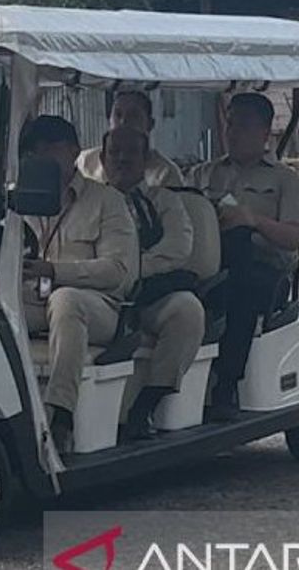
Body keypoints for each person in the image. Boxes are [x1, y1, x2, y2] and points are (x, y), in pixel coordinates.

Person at [20, 116, 138, 453]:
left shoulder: (106, 201)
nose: (43, 158)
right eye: (36, 151)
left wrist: (53, 270)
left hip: (97, 307)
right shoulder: (18, 200)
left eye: (52, 150)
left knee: (66, 300)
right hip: (30, 302)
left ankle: (60, 416)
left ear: (73, 152)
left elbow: (116, 270)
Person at [189, 93, 299, 420]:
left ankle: (226, 384)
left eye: (243, 124)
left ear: (265, 131)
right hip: (211, 263)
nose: (233, 131)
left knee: (239, 290)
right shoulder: (203, 175)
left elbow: (293, 236)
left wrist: (253, 220)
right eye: (230, 123)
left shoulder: (286, 180)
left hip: (266, 271)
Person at [100, 126, 205, 439]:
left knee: (187, 310)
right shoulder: (90, 199)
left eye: (131, 152)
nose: (122, 159)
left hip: (145, 295)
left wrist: (128, 269)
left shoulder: (164, 201)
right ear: (102, 159)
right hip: (99, 292)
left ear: (146, 159)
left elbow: (176, 249)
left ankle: (145, 405)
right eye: (114, 152)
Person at [77, 91, 183, 188]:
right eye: (118, 115)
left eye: (133, 115)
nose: (123, 122)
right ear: (109, 120)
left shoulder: (166, 173)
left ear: (150, 124)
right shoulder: (84, 162)